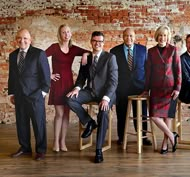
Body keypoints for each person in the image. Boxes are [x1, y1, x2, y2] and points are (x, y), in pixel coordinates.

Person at [66, 31, 118, 163]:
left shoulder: (110, 57)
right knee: (69, 98)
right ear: (91, 41)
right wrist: (77, 88)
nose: (97, 44)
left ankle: (98, 150)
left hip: (106, 93)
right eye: (95, 41)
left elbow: (113, 81)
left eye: (100, 41)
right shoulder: (87, 58)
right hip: (90, 91)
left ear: (103, 43)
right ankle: (89, 122)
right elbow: (81, 77)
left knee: (103, 113)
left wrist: (106, 98)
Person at [45, 24, 89, 152]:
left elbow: (91, 52)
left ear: (71, 34)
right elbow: (39, 57)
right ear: (60, 34)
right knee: (59, 114)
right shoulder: (54, 47)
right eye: (63, 32)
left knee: (66, 114)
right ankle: (55, 142)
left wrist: (85, 54)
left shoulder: (73, 49)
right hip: (58, 84)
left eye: (68, 32)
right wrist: (48, 75)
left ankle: (63, 142)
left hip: (69, 84)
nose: (66, 34)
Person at [8, 29, 51, 160]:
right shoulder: (13, 55)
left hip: (35, 96)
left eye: (25, 38)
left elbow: (46, 76)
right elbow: (12, 76)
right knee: (21, 123)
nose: (22, 41)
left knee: (39, 124)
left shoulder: (39, 54)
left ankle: (41, 150)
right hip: (19, 96)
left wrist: (42, 93)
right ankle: (25, 148)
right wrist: (11, 93)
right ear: (16, 39)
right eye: (19, 38)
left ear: (30, 39)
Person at [141, 25, 182, 154]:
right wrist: (146, 89)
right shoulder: (151, 51)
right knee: (153, 116)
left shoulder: (173, 50)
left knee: (167, 118)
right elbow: (148, 72)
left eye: (165, 35)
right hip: (156, 88)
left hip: (170, 89)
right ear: (156, 36)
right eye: (160, 35)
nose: (162, 38)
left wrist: (178, 88)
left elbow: (178, 70)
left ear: (168, 37)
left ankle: (165, 144)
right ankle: (171, 135)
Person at [110, 28, 152, 146]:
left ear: (135, 37)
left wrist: (147, 88)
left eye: (131, 36)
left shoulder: (143, 50)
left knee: (141, 113)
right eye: (126, 36)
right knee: (122, 113)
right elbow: (113, 71)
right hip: (122, 88)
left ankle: (143, 137)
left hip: (140, 88)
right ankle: (122, 137)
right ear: (123, 37)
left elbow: (147, 69)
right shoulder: (114, 51)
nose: (129, 38)